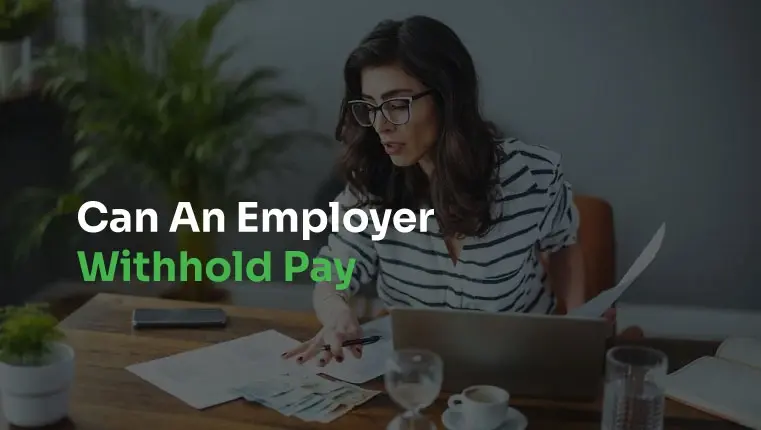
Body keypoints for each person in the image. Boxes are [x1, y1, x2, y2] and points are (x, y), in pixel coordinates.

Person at [283, 15, 605, 367]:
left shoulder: (532, 174)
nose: (380, 125)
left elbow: (562, 246)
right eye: (370, 107)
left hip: (521, 363)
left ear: (447, 97)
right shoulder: (371, 185)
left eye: (396, 104)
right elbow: (332, 271)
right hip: (417, 370)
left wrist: (577, 321)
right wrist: (336, 312)